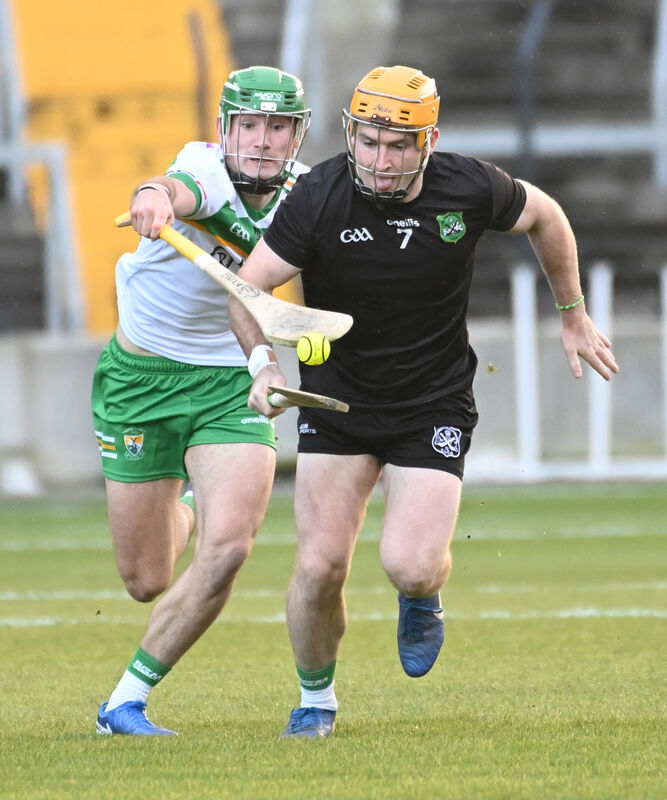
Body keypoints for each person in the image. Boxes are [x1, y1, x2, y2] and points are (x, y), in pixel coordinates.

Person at [228, 64, 619, 739]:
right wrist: (262, 364)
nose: (381, 161)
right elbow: (247, 291)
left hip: (430, 403)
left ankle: (423, 596)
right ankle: (315, 701)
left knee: (408, 566)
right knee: (320, 567)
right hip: (335, 400)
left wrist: (573, 313)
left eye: (398, 145)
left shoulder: (467, 186)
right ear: (351, 135)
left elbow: (546, 216)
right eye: (369, 142)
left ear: (427, 142)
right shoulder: (318, 195)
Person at [91, 66, 311, 736]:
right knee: (146, 578)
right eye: (249, 125)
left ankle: (124, 703)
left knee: (230, 548)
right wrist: (153, 198)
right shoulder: (204, 170)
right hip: (143, 381)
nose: (262, 140)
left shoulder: (310, 197)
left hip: (231, 381)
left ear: (295, 135)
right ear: (225, 129)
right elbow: (170, 189)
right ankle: (190, 496)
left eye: (277, 127)